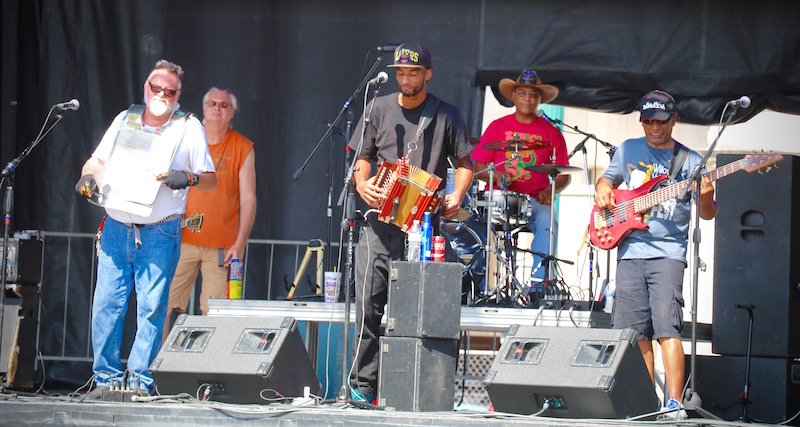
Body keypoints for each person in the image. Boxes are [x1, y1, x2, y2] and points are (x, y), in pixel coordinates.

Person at [75, 59, 217, 397]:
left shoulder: (188, 127)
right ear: (146, 87)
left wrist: (190, 178)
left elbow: (210, 180)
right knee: (107, 304)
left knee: (152, 307)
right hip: (117, 225)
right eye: (157, 87)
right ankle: (106, 379)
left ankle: (140, 381)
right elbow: (97, 161)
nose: (162, 94)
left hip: (159, 230)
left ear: (178, 95)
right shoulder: (126, 119)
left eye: (170, 90)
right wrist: (87, 177)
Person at [347, 42, 473, 403]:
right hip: (378, 225)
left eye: (413, 73)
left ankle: (424, 389)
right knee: (368, 306)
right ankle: (362, 388)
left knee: (426, 308)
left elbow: (465, 164)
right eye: (400, 72)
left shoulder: (446, 114)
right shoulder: (378, 107)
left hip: (424, 227)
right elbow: (362, 157)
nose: (405, 79)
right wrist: (362, 183)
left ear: (428, 74)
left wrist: (456, 195)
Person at [594, 90, 718, 419]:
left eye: (661, 122)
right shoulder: (628, 150)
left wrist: (706, 195)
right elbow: (605, 182)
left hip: (668, 253)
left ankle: (674, 404)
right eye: (648, 122)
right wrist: (604, 190)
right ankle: (647, 405)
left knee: (667, 328)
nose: (654, 128)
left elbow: (707, 213)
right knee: (635, 335)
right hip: (630, 250)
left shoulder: (690, 161)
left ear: (673, 120)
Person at [163, 87, 256, 341]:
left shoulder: (243, 147)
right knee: (164, 306)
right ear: (203, 109)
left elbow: (249, 198)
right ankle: (153, 372)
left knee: (214, 313)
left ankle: (207, 375)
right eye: (212, 103)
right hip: (180, 238)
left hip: (222, 247)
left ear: (233, 112)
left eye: (224, 105)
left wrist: (240, 243)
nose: (217, 108)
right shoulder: (186, 139)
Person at [470, 70, 570, 289]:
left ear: (540, 99)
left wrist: (551, 190)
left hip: (535, 201)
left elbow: (564, 174)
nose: (528, 98)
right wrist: (495, 175)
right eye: (522, 93)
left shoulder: (553, 133)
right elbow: (478, 168)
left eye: (533, 95)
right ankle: (481, 286)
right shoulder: (497, 126)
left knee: (548, 224)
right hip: (499, 198)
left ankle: (538, 287)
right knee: (477, 228)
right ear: (513, 96)